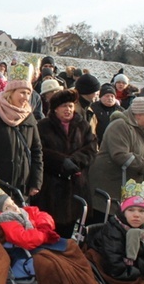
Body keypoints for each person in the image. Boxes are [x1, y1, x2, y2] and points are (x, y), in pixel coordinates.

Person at [0, 179, 111, 284]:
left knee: (72, 247)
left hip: (41, 246)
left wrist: (41, 227)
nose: (14, 208)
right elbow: (24, 239)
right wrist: (43, 234)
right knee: (56, 266)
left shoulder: (24, 212)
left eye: (12, 203)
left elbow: (45, 217)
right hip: (26, 255)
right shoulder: (6, 222)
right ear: (0, 212)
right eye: (7, 208)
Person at [33, 88, 97, 237]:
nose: (68, 109)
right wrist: (61, 162)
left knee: (68, 231)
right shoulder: (43, 126)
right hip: (50, 188)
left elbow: (92, 148)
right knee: (48, 230)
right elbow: (39, 151)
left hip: (76, 186)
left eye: (70, 106)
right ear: (55, 109)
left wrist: (74, 161)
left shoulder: (83, 125)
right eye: (64, 106)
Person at [0, 63, 43, 199]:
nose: (26, 97)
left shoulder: (29, 118)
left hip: (20, 188)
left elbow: (37, 151)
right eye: (22, 92)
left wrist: (36, 182)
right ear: (11, 93)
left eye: (28, 93)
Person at [89, 97, 144, 210]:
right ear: (138, 114)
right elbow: (120, 155)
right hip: (109, 184)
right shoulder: (119, 126)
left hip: (128, 186)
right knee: (103, 220)